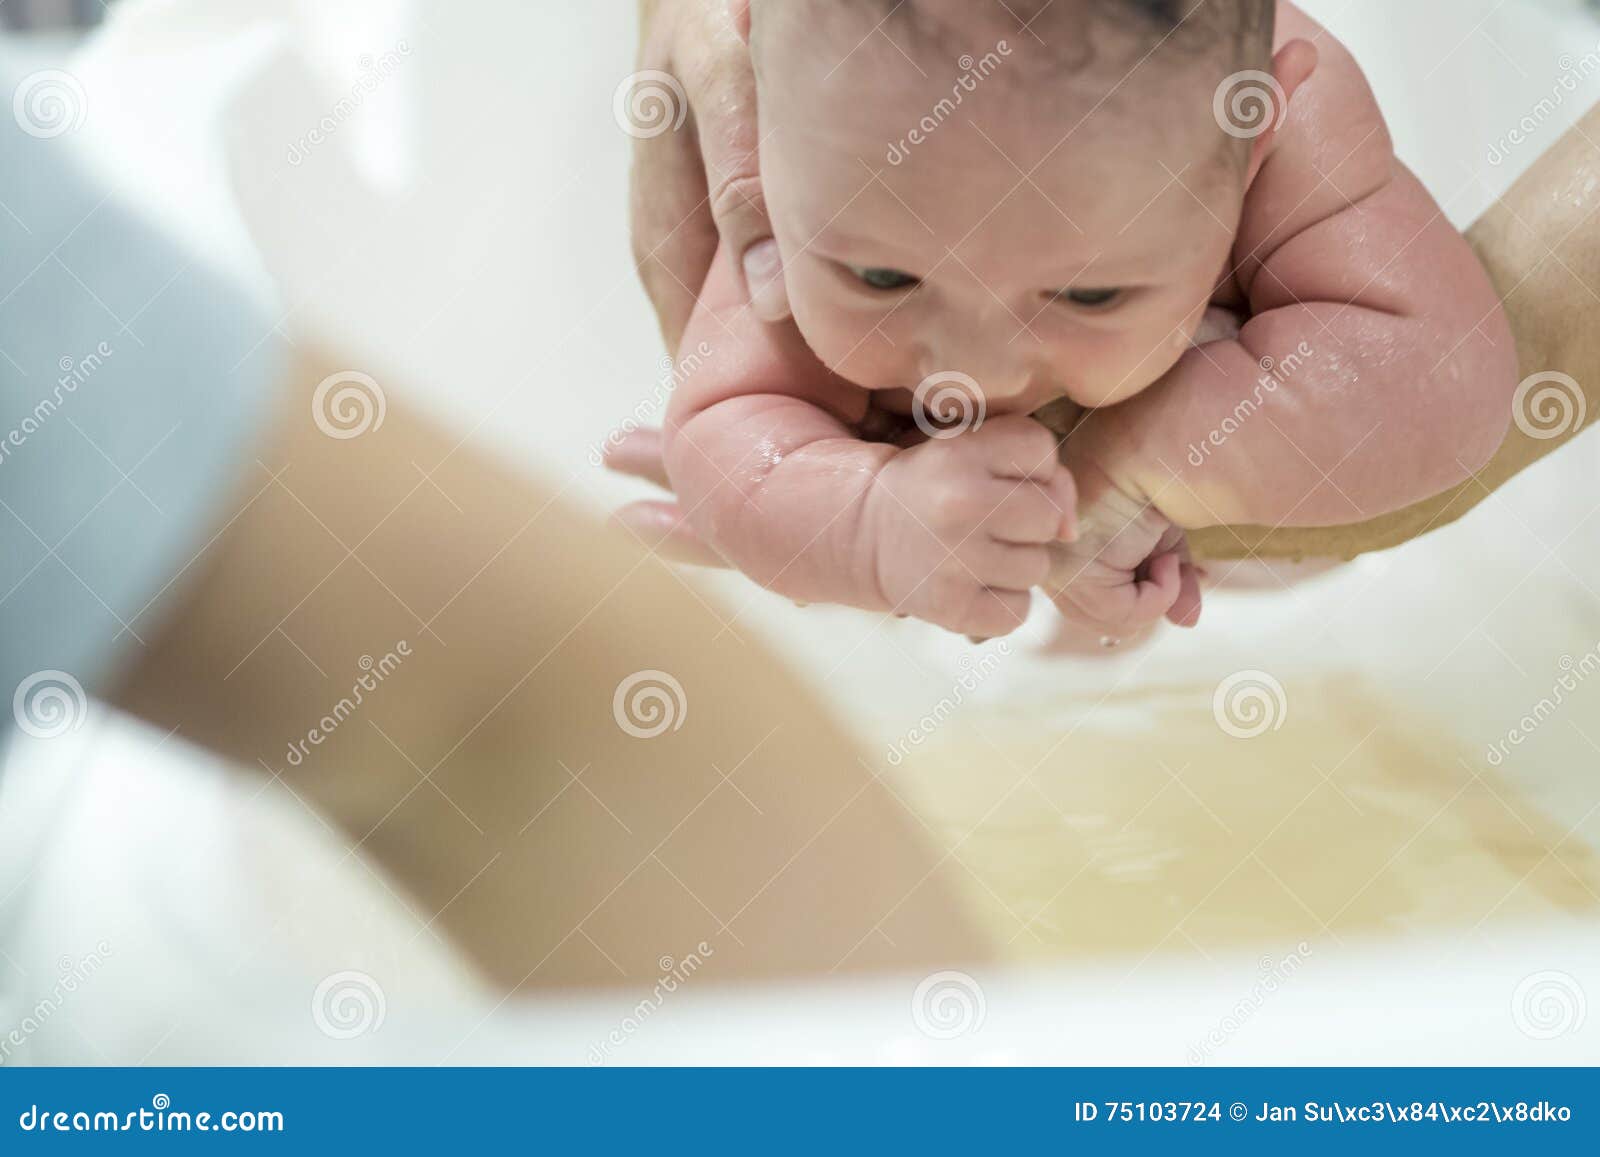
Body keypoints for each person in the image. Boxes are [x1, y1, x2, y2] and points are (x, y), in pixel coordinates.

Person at [614, 0, 1599, 593]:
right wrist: (868, 524)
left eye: (1088, 291)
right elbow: (723, 430)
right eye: (880, 276)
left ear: (1254, 136)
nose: (976, 369)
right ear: (761, 117)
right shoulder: (834, 153)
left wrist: (1121, 474)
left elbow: (1451, 373)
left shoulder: (1292, 133)